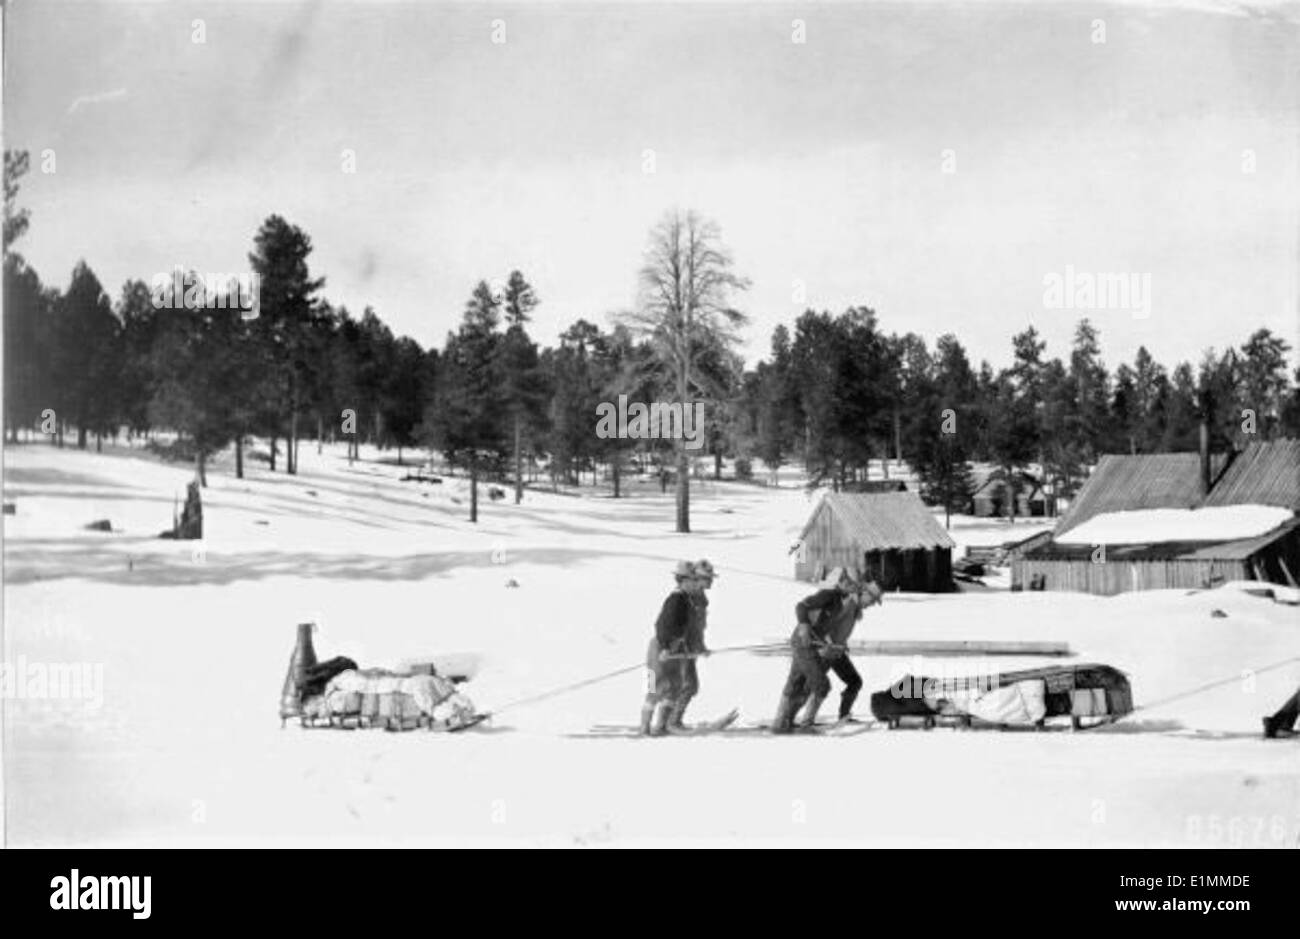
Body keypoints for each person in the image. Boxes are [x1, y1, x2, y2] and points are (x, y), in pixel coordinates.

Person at [773, 567, 858, 733]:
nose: (853, 586)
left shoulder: (840, 600)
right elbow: (801, 606)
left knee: (796, 682)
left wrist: (827, 643)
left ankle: (780, 722)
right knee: (821, 684)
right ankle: (806, 725)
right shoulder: (828, 594)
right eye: (850, 583)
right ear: (841, 583)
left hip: (810, 643)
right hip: (803, 642)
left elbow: (822, 625)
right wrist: (804, 625)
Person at [640, 560, 700, 736]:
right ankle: (645, 727)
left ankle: (662, 725)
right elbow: (662, 625)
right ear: (683, 580)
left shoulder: (685, 599)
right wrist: (665, 647)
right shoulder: (676, 599)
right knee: (653, 688)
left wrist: (687, 648)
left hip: (675, 649)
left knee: (674, 686)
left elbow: (684, 628)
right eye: (693, 579)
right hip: (659, 648)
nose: (696, 583)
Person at [817, 575, 883, 723]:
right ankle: (793, 718)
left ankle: (844, 715)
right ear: (865, 594)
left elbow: (840, 628)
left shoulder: (855, 608)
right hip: (828, 650)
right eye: (872, 601)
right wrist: (827, 642)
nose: (871, 605)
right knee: (814, 684)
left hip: (837, 651)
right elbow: (827, 621)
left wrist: (842, 644)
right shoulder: (848, 604)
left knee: (854, 682)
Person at [673, 559, 716, 729]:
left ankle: (673, 719)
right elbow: (680, 624)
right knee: (688, 685)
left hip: (691, 647)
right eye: (707, 578)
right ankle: (672, 720)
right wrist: (679, 645)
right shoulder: (685, 597)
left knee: (690, 686)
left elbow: (699, 626)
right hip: (681, 648)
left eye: (711, 577)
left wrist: (701, 645)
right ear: (696, 578)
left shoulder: (701, 598)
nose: (710, 581)